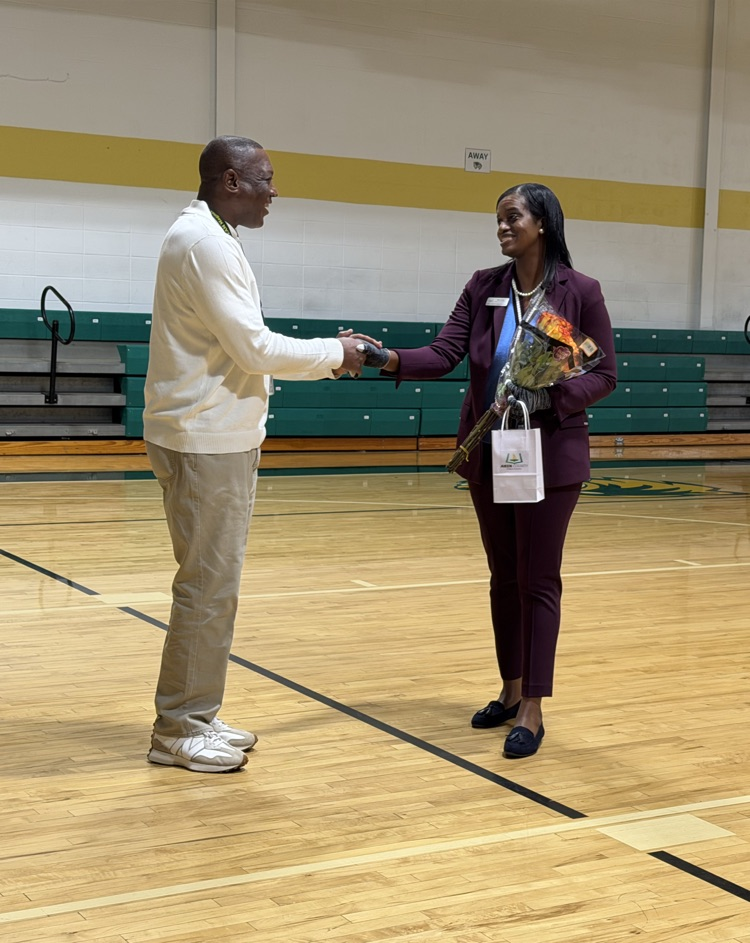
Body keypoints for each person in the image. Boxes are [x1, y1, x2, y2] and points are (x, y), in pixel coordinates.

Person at [143, 135, 368, 773]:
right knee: (207, 588)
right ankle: (178, 729)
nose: (274, 191)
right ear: (230, 181)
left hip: (213, 436)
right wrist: (336, 353)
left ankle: (197, 711)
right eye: (265, 179)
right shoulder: (206, 243)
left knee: (214, 586)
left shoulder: (212, 235)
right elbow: (254, 348)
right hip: (204, 439)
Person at [373, 183, 616, 759]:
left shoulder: (579, 292)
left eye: (513, 217)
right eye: (498, 219)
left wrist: (550, 397)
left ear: (543, 223)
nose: (503, 227)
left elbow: (603, 374)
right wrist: (387, 357)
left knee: (538, 579)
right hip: (490, 452)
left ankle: (533, 705)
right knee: (503, 576)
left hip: (549, 454)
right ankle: (510, 690)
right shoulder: (484, 286)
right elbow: (444, 353)